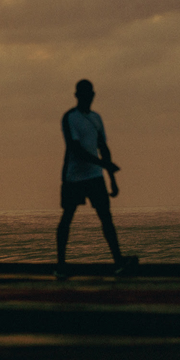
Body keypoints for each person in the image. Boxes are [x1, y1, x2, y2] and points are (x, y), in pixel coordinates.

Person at [56, 79, 136, 279]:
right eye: (83, 94)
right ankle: (61, 265)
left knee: (106, 218)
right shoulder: (70, 118)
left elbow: (103, 148)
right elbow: (76, 150)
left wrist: (112, 179)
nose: (87, 97)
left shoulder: (96, 118)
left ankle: (118, 261)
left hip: (95, 176)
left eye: (89, 94)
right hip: (74, 177)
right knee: (67, 218)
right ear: (77, 96)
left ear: (92, 95)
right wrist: (105, 166)